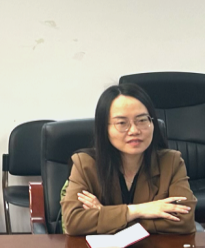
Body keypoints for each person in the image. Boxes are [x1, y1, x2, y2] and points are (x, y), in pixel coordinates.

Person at [62, 83, 196, 235]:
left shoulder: (171, 162)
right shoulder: (85, 164)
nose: (134, 130)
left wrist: (106, 215)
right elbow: (73, 222)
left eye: (142, 120)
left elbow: (184, 221)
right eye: (121, 123)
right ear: (104, 128)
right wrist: (139, 210)